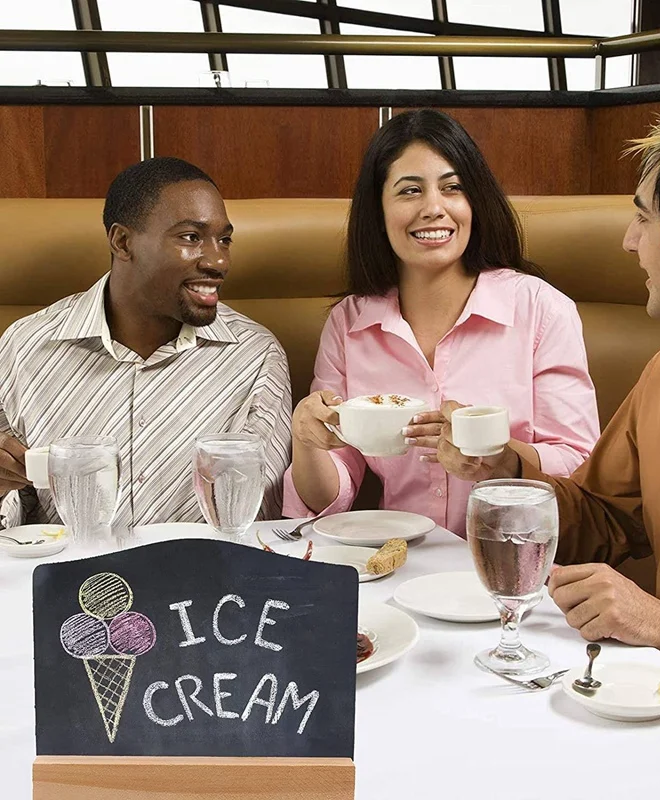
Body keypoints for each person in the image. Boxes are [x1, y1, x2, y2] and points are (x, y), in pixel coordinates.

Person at [440, 95, 660, 726]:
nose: (628, 241)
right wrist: (508, 473)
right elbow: (606, 518)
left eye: (644, 219)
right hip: (651, 707)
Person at [284, 109, 599, 536]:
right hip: (397, 565)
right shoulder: (348, 325)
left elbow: (579, 465)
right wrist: (307, 442)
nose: (434, 208)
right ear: (378, 211)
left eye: (453, 188)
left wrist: (495, 455)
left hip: (514, 562)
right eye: (410, 191)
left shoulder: (541, 309)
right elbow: (333, 494)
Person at [0, 157, 292, 529]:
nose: (219, 261)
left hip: (207, 579)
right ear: (123, 242)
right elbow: (12, 511)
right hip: (66, 578)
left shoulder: (255, 357)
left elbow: (258, 517)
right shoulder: (25, 348)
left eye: (225, 240)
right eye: (191, 237)